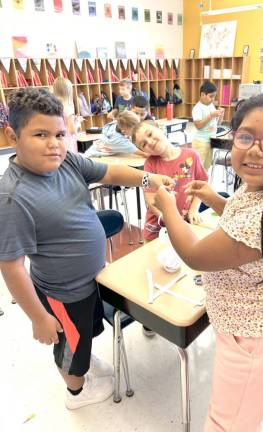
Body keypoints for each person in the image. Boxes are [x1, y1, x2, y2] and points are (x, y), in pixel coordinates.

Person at [153, 92, 263, 431]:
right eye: (245, 136)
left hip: (257, 339)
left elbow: (196, 256)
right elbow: (242, 222)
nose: (255, 149)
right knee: (241, 416)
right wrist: (214, 199)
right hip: (257, 325)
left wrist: (167, 209)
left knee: (227, 423)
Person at [0, 88, 173, 410]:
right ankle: (75, 393)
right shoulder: (12, 196)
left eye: (60, 134)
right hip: (63, 291)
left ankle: (82, 358)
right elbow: (11, 266)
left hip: (94, 277)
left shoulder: (66, 161)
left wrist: (149, 180)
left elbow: (111, 171)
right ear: (13, 135)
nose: (54, 143)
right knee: (69, 346)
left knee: (84, 333)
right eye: (40, 134)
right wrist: (38, 317)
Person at [132, 121, 208, 242]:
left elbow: (202, 184)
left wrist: (193, 209)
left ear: (160, 128)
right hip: (158, 230)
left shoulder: (192, 155)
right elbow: (150, 199)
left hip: (186, 224)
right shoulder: (150, 164)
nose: (150, 142)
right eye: (144, 144)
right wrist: (166, 218)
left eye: (150, 134)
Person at [192, 81, 224, 171]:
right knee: (198, 168)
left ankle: (204, 183)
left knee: (206, 167)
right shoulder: (197, 108)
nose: (213, 99)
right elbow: (198, 125)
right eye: (211, 96)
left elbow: (217, 124)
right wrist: (211, 116)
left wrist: (221, 116)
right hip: (201, 142)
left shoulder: (211, 106)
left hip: (211, 141)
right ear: (202, 95)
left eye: (214, 96)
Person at [53, 77, 82, 153]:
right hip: (68, 143)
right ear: (69, 91)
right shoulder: (68, 108)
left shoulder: (53, 106)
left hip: (57, 141)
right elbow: (72, 130)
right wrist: (78, 122)